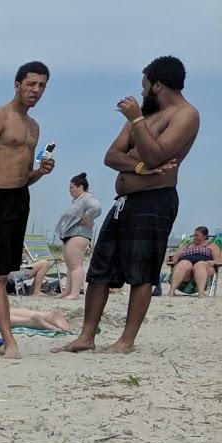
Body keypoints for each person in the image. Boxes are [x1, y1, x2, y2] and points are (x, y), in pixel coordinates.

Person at [57, 56, 201, 353]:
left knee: (142, 270)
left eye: (144, 85)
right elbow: (111, 156)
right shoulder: (146, 117)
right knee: (100, 268)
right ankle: (87, 336)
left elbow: (156, 156)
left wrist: (136, 122)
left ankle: (126, 340)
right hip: (124, 201)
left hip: (155, 200)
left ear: (158, 85)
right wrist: (137, 168)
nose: (141, 90)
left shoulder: (185, 115)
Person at [0, 60, 55, 359]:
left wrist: (40, 173)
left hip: (19, 199)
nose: (36, 90)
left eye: (42, 85)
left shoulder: (34, 126)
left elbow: (21, 176)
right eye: (31, 84)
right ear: (17, 84)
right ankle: (10, 342)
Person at [54, 173, 102, 299]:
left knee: (75, 265)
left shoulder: (86, 198)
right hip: (69, 234)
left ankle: (74, 293)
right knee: (70, 266)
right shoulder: (77, 200)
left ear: (80, 187)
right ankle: (67, 292)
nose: (69, 190)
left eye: (71, 187)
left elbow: (96, 207)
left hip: (79, 234)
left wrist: (88, 217)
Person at [165, 226, 219, 296]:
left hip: (204, 266)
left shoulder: (212, 246)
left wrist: (214, 262)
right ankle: (171, 292)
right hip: (186, 271)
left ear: (205, 236)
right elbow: (175, 259)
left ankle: (201, 293)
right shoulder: (185, 246)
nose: (194, 237)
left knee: (200, 265)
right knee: (184, 263)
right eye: (194, 235)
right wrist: (170, 260)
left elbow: (219, 260)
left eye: (197, 235)